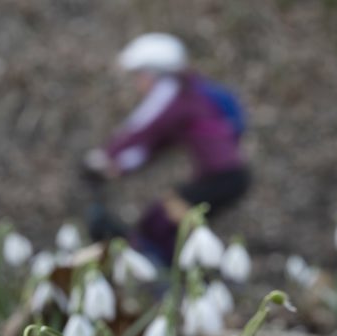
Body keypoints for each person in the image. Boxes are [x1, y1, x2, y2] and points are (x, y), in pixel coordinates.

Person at [84, 33, 250, 266]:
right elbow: (154, 145)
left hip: (222, 179)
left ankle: (178, 283)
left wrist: (102, 157)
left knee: (159, 223)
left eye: (138, 76)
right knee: (156, 223)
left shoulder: (173, 92)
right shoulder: (188, 96)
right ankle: (179, 278)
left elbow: (140, 127)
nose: (138, 84)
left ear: (153, 72)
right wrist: (118, 167)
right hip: (225, 180)